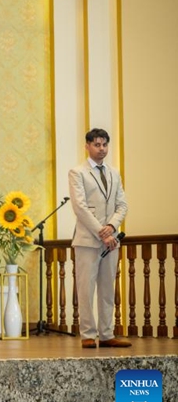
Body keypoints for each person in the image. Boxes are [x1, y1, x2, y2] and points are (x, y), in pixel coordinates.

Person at [68, 128, 130, 348]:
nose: (101, 148)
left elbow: (122, 205)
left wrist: (111, 227)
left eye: (104, 144)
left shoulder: (114, 172)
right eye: (97, 144)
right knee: (86, 289)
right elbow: (80, 207)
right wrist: (102, 232)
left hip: (111, 241)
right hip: (87, 241)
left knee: (107, 289)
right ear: (87, 146)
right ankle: (87, 334)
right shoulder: (78, 172)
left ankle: (106, 334)